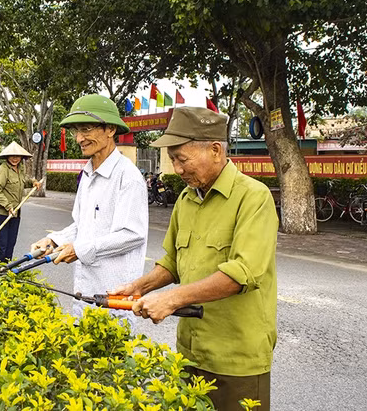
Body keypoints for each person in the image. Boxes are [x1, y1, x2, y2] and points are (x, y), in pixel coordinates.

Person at [111, 106, 278, 410]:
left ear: (215, 150)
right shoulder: (186, 200)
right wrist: (141, 286)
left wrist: (172, 299)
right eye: (173, 159)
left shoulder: (254, 197)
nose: (176, 169)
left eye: (182, 159)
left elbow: (244, 272)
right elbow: (173, 261)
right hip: (189, 351)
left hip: (235, 358)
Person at [30, 94, 148, 326]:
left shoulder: (128, 177)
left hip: (115, 296)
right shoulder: (87, 173)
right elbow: (82, 225)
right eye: (76, 131)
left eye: (86, 129)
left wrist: (81, 250)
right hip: (84, 293)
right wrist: (53, 240)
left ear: (110, 129)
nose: (79, 138)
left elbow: (132, 234)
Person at [0, 141, 41, 262]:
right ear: (7, 156)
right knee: (1, 246)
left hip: (16, 211)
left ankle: (7, 268)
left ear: (21, 157)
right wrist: (8, 207)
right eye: (12, 156)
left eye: (17, 156)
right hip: (2, 213)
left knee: (11, 243)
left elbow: (25, 180)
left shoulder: (20, 169)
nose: (15, 158)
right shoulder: (2, 170)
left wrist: (33, 182)